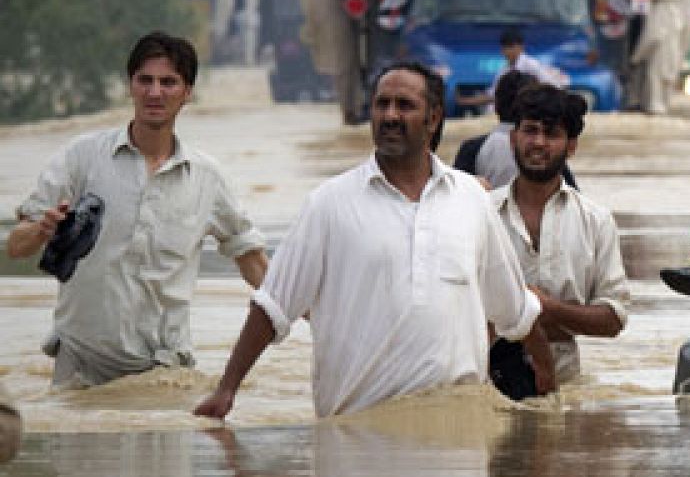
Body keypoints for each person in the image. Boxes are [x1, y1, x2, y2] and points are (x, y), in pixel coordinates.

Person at [193, 63, 540, 420]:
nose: (390, 115)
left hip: (456, 437)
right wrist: (226, 389)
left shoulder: (471, 200)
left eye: (404, 105)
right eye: (381, 104)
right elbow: (272, 307)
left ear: (433, 118)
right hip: (357, 434)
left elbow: (513, 310)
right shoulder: (328, 204)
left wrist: (460, 347)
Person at [9, 33, 268, 389]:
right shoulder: (81, 158)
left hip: (164, 376)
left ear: (187, 93)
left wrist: (316, 316)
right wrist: (41, 231)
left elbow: (253, 263)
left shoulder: (207, 178)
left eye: (168, 82)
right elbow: (15, 246)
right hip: (80, 371)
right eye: (145, 80)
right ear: (130, 85)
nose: (154, 92)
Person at [492, 85, 629, 389]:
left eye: (551, 133)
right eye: (530, 130)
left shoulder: (596, 221)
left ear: (571, 146)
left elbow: (613, 319)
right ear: (513, 138)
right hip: (484, 378)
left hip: (562, 385)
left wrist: (547, 307)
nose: (538, 143)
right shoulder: (481, 212)